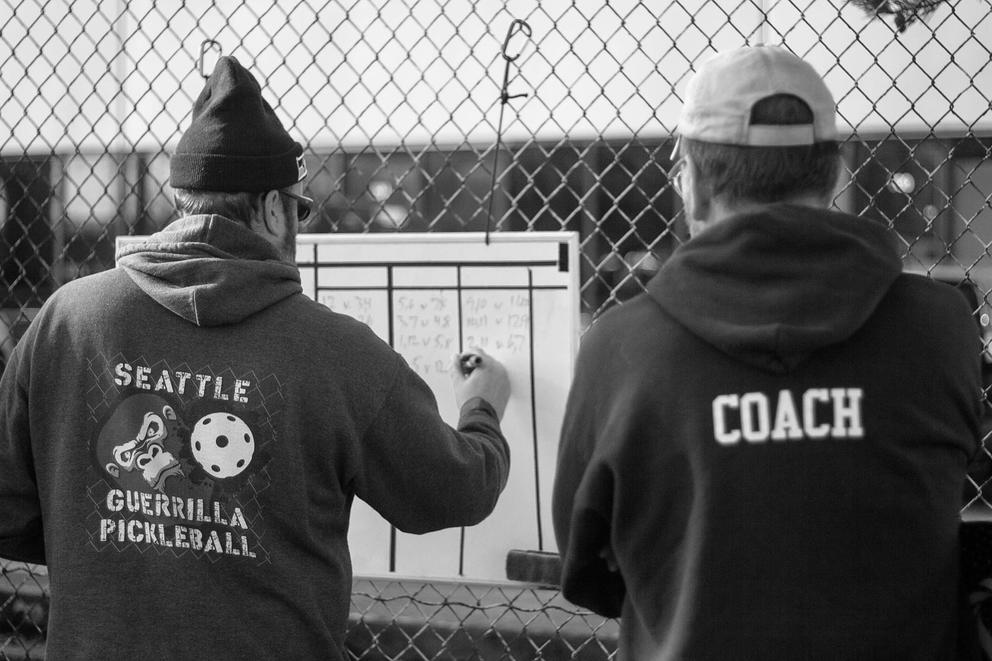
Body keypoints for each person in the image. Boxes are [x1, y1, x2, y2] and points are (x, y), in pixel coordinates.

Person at [0, 56, 511, 660]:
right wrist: (482, 408)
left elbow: (10, 507)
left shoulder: (68, 320)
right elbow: (454, 490)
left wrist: (131, 541)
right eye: (296, 209)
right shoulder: (336, 353)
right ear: (273, 207)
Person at [552, 45, 984, 660]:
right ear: (834, 175)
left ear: (693, 185)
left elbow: (587, 568)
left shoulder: (619, 348)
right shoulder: (941, 327)